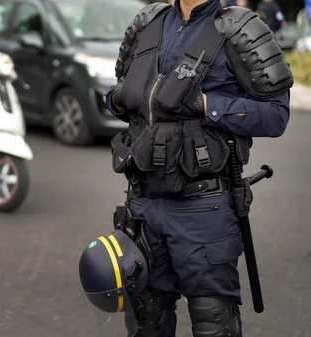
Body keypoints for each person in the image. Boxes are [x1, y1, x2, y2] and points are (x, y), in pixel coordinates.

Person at [101, 0, 293, 336]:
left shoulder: (240, 29)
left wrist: (208, 105)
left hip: (203, 210)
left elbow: (276, 115)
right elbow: (125, 99)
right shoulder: (148, 23)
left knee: (213, 324)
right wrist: (118, 98)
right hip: (143, 204)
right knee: (145, 320)